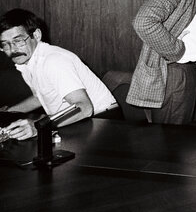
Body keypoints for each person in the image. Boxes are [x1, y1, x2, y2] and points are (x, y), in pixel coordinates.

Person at [0, 9, 115, 140]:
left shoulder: (53, 60)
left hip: (103, 121)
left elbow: (84, 107)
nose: (13, 50)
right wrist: (7, 113)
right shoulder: (26, 62)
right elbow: (40, 97)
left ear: (36, 35)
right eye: (5, 44)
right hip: (78, 120)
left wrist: (38, 126)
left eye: (19, 41)